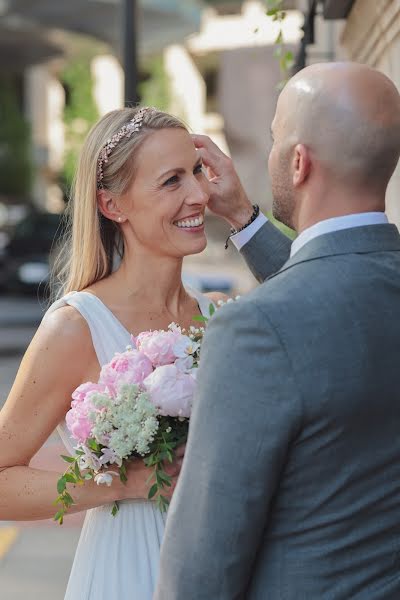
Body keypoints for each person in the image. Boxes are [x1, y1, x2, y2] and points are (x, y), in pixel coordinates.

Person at [0, 107, 273, 599]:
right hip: (126, 573)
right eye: (171, 181)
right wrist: (123, 484)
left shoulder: (221, 317)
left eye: (196, 172)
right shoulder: (76, 326)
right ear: (112, 205)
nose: (198, 195)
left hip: (224, 571)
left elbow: (324, 311)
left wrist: (242, 215)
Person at [154, 62, 400, 599]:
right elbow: (337, 294)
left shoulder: (255, 329)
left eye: (273, 138)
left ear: (298, 161)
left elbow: (200, 574)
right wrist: (244, 217)